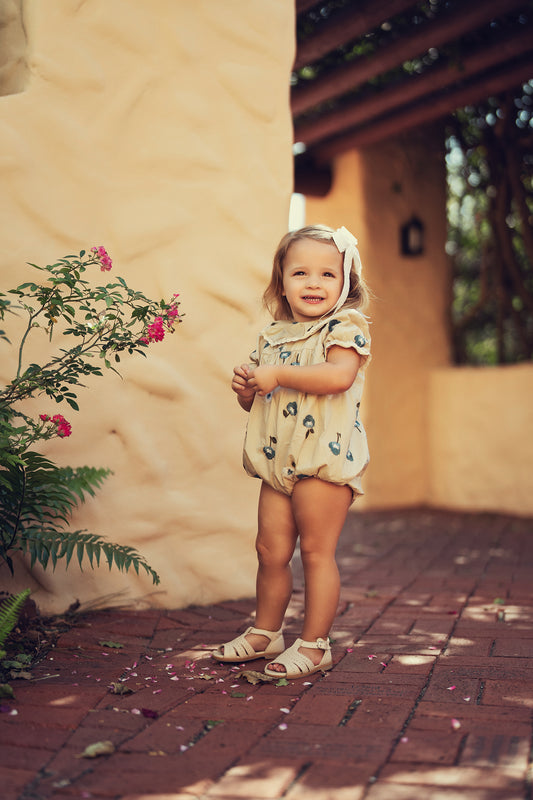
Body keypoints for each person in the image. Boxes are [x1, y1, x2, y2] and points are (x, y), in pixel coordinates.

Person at [213, 224, 372, 679]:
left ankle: (316, 644)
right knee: (270, 550)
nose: (314, 283)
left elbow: (338, 376)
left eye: (327, 274)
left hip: (322, 460)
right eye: (300, 273)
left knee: (316, 553)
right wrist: (248, 390)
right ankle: (266, 632)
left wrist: (278, 375)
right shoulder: (273, 337)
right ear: (281, 283)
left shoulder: (345, 327)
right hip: (276, 462)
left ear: (345, 283)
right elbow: (261, 403)